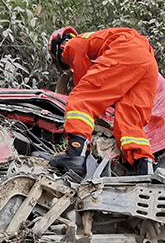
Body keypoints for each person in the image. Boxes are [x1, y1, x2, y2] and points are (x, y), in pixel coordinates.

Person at [46, 26, 158, 177]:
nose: (68, 65)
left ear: (58, 49)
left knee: (81, 98)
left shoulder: (72, 45)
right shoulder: (92, 40)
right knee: (130, 118)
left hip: (126, 50)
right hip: (148, 59)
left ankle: (75, 154)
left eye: (63, 63)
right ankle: (143, 166)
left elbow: (85, 85)